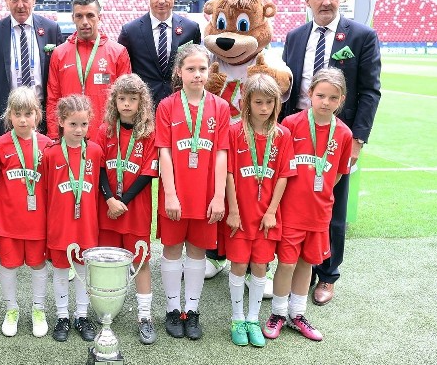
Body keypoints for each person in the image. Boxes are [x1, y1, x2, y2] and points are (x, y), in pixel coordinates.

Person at [281, 0, 381, 305]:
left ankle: (327, 276)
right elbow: (288, 86)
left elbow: (370, 91)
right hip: (296, 133)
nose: (326, 2)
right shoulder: (295, 36)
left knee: (332, 206)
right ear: (307, 0)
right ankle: (290, 270)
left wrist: (359, 139)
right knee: (291, 203)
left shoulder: (362, 36)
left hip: (337, 136)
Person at [264, 68, 353, 342]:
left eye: (333, 97)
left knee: (306, 265)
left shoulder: (345, 134)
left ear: (342, 100)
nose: (326, 102)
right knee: (287, 264)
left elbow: (337, 173)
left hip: (319, 213)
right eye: (320, 95)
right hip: (291, 212)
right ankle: (278, 312)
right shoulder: (291, 123)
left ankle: (297, 313)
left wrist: (320, 190)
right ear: (310, 94)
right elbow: (278, 166)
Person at [155, 44, 229, 341]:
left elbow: (222, 154)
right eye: (191, 69)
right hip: (176, 193)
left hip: (206, 195)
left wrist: (220, 195)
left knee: (198, 251)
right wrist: (170, 194)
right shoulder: (167, 106)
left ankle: (192, 310)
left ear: (210, 70)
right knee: (172, 250)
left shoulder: (220, 107)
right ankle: (173, 309)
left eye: (202, 69)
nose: (197, 74)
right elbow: (164, 153)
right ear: (179, 72)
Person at [222, 74, 295, 348]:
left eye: (269, 102)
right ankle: (237, 317)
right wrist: (233, 211)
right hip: (239, 214)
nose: (263, 108)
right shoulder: (234, 132)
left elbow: (284, 176)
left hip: (267, 216)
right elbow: (229, 172)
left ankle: (253, 318)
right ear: (247, 103)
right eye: (258, 102)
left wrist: (272, 212)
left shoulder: (283, 135)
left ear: (276, 104)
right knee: (239, 264)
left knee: (260, 266)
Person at [93, 74, 159, 344]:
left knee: (140, 262)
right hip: (107, 209)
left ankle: (144, 316)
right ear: (114, 101)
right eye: (122, 99)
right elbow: (97, 168)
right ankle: (107, 310)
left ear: (142, 102)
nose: (127, 104)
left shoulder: (149, 133)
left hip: (135, 210)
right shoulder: (104, 129)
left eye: (133, 99)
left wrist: (123, 202)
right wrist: (110, 199)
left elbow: (147, 173)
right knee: (107, 262)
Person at [39, 94, 103, 343]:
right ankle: (63, 315)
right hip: (59, 226)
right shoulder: (51, 154)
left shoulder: (95, 152)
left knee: (82, 271)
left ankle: (82, 315)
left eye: (84, 124)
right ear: (61, 122)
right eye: (73, 124)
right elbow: (44, 192)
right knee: (61, 271)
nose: (79, 129)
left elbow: (98, 190)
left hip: (86, 225)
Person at [0, 86, 53, 338]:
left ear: (37, 115)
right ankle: (12, 309)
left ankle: (38, 309)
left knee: (38, 265)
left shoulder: (48, 145)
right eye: (17, 114)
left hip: (38, 222)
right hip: (9, 221)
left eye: (28, 113)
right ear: (9, 116)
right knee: (8, 266)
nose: (23, 119)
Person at [0, 0, 61, 139]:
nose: (20, 5)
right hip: (7, 116)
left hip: (42, 115)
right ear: (6, 0)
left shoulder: (51, 29)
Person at [46, 0, 131, 140]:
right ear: (73, 18)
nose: (85, 22)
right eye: (79, 16)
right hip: (69, 138)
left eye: (90, 15)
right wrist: (54, 135)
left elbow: (126, 100)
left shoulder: (118, 52)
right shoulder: (59, 53)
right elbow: (53, 99)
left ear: (99, 17)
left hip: (106, 137)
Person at [118, 0, 202, 107]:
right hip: (143, 108)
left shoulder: (191, 29)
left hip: (181, 105)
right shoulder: (130, 31)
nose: (161, 0)